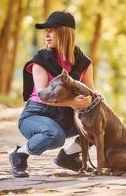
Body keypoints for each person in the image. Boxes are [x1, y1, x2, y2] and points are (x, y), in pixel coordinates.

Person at [9, 11, 96, 178]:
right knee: (55, 136)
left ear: (64, 32)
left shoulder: (84, 63)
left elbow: (90, 91)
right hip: (36, 115)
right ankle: (19, 154)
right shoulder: (40, 62)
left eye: (51, 30)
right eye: (46, 31)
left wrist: (88, 99)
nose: (47, 35)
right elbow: (44, 96)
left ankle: (68, 157)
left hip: (65, 117)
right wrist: (72, 102)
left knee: (97, 126)